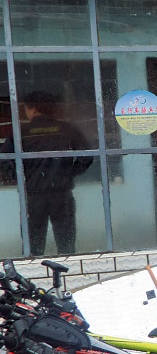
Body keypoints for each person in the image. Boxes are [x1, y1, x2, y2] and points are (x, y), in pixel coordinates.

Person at [0, 91, 92, 256]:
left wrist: (22, 178)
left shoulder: (21, 132)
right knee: (66, 245)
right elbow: (87, 156)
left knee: (33, 248)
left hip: (34, 196)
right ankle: (68, 274)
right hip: (62, 195)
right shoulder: (67, 129)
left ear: (32, 109)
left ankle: (33, 276)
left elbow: (4, 160)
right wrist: (69, 173)